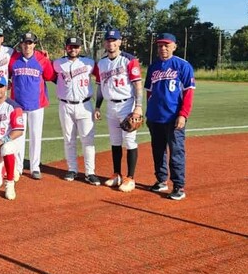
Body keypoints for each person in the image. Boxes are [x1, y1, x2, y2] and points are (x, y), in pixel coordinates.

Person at [145, 33, 195, 201]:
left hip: (174, 117)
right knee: (158, 151)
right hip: (155, 117)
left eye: (166, 45)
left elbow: (188, 93)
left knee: (176, 152)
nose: (163, 48)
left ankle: (179, 186)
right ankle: (161, 180)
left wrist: (183, 115)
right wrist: (149, 113)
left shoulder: (183, 65)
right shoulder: (153, 67)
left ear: (174, 46)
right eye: (160, 45)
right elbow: (149, 92)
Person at [93, 30, 143, 192]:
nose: (111, 43)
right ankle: (117, 174)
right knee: (115, 141)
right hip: (110, 106)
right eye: (108, 40)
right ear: (104, 43)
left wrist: (138, 107)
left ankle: (130, 178)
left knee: (129, 141)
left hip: (127, 105)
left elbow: (137, 85)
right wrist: (97, 106)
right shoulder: (101, 63)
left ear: (120, 42)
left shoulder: (129, 60)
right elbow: (100, 87)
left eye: (114, 40)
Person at [52, 37, 99, 185]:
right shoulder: (58, 63)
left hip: (84, 105)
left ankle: (90, 172)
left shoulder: (89, 63)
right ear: (66, 47)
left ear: (80, 48)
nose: (73, 49)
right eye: (70, 46)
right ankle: (72, 169)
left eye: (76, 47)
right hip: (65, 105)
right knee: (69, 139)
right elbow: (49, 74)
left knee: (88, 140)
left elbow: (102, 76)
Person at [8, 32, 54, 180]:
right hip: (18, 105)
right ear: (21, 44)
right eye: (25, 43)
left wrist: (49, 59)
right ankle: (18, 167)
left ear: (34, 44)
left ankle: (35, 167)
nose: (27, 46)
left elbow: (50, 76)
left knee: (35, 137)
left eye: (30, 43)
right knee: (18, 137)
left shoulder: (42, 59)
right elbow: (7, 75)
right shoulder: (13, 59)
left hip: (37, 105)